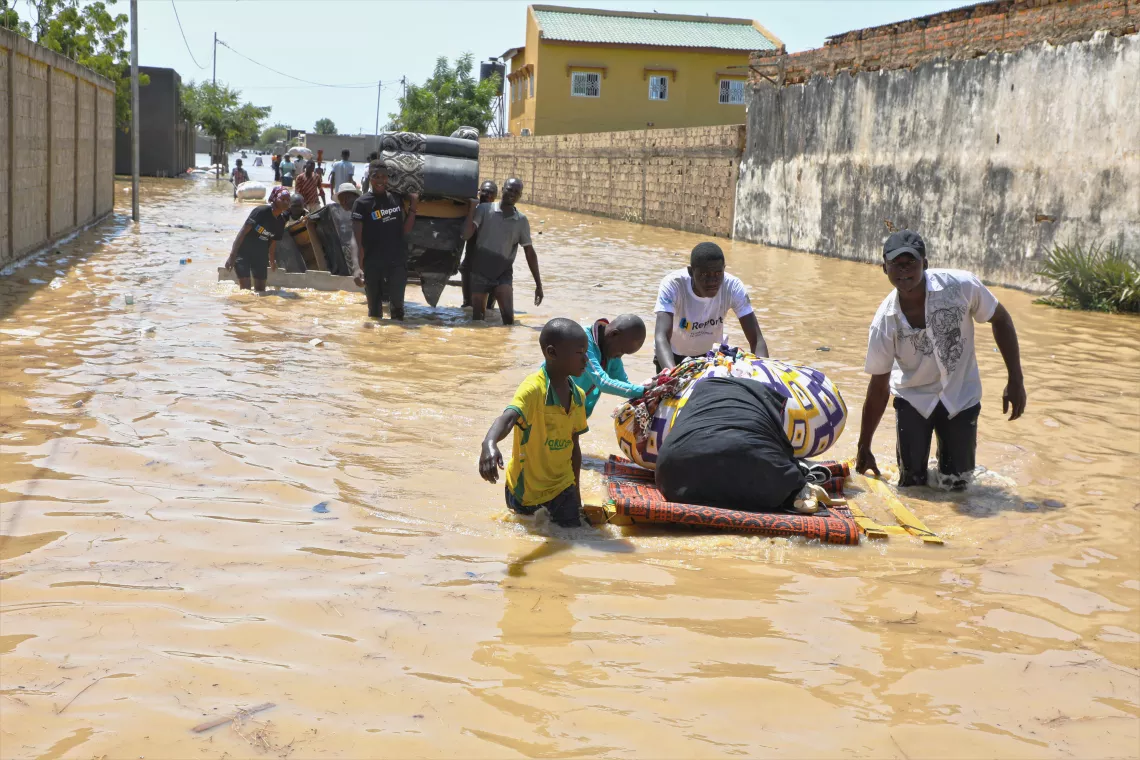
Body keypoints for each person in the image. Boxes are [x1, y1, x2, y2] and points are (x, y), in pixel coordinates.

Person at [855, 230, 1027, 489]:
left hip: (961, 396)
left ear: (925, 263)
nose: (904, 271)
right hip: (913, 398)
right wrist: (864, 445)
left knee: (958, 485)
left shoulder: (961, 286)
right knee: (911, 484)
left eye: (911, 262)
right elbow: (879, 387)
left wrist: (1015, 379)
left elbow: (1000, 318)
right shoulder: (885, 322)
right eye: (896, 265)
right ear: (884, 268)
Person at [479, 318, 590, 528]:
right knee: (528, 535)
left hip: (562, 487)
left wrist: (576, 496)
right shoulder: (533, 390)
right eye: (579, 353)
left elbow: (574, 446)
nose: (586, 360)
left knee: (577, 537)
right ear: (552, 353)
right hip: (526, 491)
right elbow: (508, 417)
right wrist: (489, 443)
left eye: (586, 352)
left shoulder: (578, 396)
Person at [653, 242, 768, 373]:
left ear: (724, 269)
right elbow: (661, 336)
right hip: (672, 356)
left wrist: (763, 373)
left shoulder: (733, 287)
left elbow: (756, 339)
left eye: (718, 274)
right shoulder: (673, 285)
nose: (712, 281)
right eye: (704, 275)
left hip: (710, 358)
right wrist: (672, 374)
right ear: (691, 272)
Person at [461, 177, 543, 325]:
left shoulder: (521, 221)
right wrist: (472, 208)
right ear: (503, 189)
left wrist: (538, 285)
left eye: (516, 192)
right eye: (509, 189)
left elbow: (529, 253)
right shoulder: (485, 210)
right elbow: (466, 235)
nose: (512, 194)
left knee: (509, 321)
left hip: (502, 274)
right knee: (478, 321)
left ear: (520, 196)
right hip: (480, 272)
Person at [351, 159, 418, 320]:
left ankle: (396, 342)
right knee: (374, 312)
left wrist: (414, 204)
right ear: (370, 177)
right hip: (373, 263)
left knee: (398, 310)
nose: (380, 180)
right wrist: (356, 267)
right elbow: (356, 239)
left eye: (383, 177)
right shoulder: (361, 203)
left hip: (397, 261)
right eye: (376, 176)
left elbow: (405, 231)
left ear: (388, 178)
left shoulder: (396, 198)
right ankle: (374, 343)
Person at [572, 314, 647, 418]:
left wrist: (648, 391)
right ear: (614, 334)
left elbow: (623, 383)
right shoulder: (582, 340)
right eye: (621, 351)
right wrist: (643, 391)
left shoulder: (610, 350)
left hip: (576, 413)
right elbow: (603, 382)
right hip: (551, 405)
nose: (619, 356)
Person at [224, 186, 290, 293]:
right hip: (243, 254)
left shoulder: (281, 222)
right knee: (245, 291)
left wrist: (272, 261)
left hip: (260, 256)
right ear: (274, 199)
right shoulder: (261, 211)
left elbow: (273, 241)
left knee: (261, 291)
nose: (286, 202)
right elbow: (242, 233)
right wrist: (232, 256)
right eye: (282, 199)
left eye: (288, 200)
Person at [460, 180, 497, 308]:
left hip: (491, 266)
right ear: (478, 193)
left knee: (489, 309)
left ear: (495, 197)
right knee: (468, 306)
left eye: (490, 192)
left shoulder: (498, 215)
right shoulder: (472, 211)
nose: (487, 195)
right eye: (484, 191)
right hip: (471, 264)